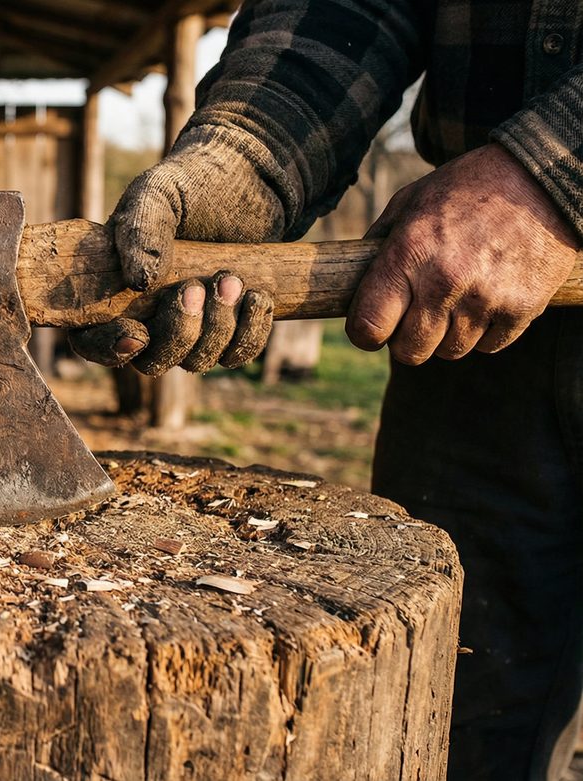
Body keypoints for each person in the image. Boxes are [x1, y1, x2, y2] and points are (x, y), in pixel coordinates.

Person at [68, 2, 583, 778]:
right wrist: (246, 157)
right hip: (464, 336)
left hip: (494, 250)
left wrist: (551, 176)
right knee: (456, 734)